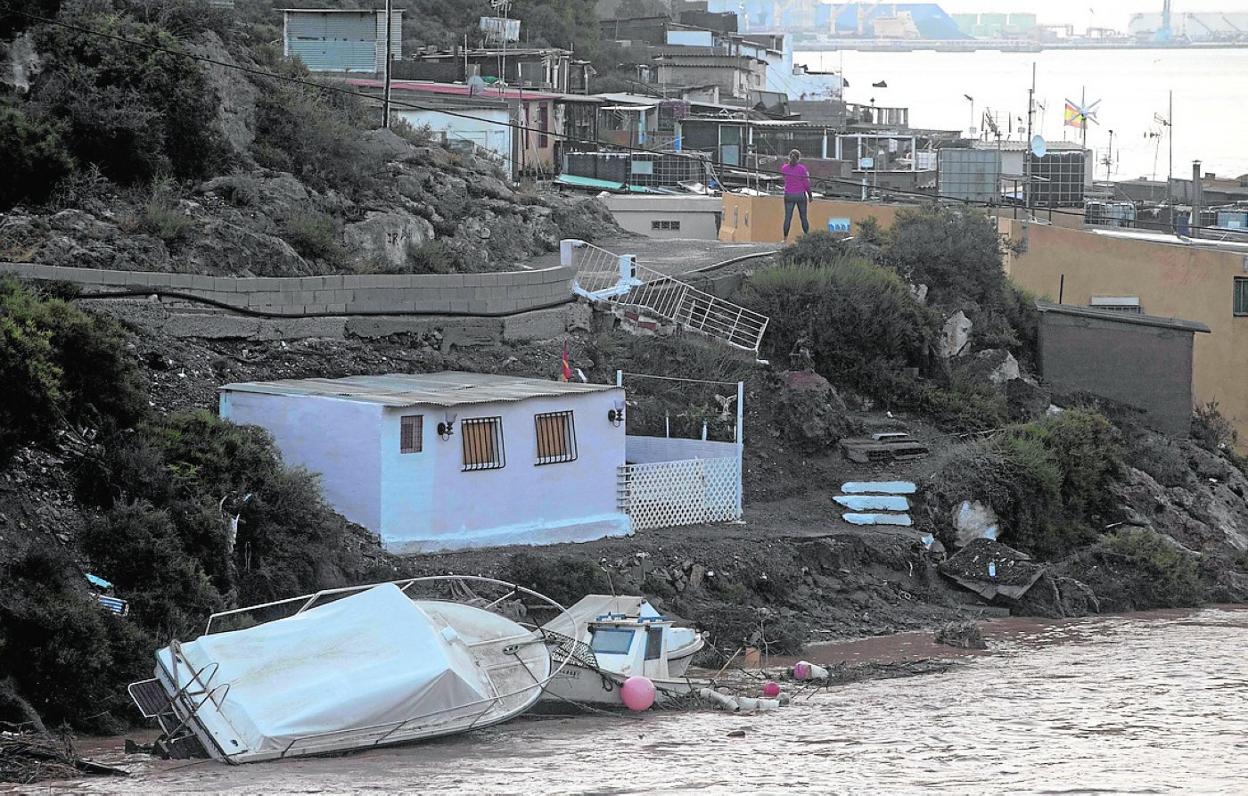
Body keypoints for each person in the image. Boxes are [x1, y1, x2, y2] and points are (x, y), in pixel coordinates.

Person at [780, 149, 812, 239]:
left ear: (789, 157)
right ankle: (807, 237)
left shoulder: (784, 168)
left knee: (788, 217)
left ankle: (785, 238)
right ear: (799, 159)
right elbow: (806, 183)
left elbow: (784, 177)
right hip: (800, 195)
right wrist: (810, 195)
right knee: (803, 217)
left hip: (789, 195)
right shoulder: (802, 169)